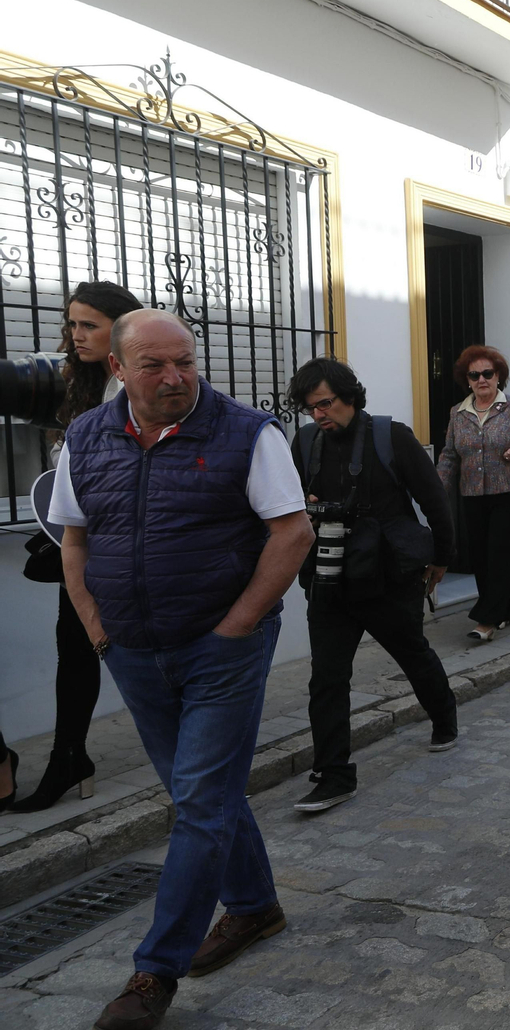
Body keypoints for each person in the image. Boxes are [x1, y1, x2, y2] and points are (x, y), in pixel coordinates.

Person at [53, 310, 313, 1029]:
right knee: (204, 791)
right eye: (154, 366)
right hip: (132, 650)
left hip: (219, 651)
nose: (174, 379)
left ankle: (152, 974)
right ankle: (255, 907)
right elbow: (76, 540)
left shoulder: (248, 433)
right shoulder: (86, 437)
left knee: (197, 802)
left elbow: (292, 533)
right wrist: (96, 626)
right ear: (118, 371)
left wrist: (237, 627)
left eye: (186, 362)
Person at [286, 358, 459, 815]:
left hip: (387, 574)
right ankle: (333, 774)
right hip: (328, 575)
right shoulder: (303, 442)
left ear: (349, 396)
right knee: (326, 677)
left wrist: (441, 557)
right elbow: (286, 501)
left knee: (412, 653)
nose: (319, 415)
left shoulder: (391, 436)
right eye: (310, 408)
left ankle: (444, 717)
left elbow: (434, 500)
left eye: (325, 403)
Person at [11, 282, 141, 813]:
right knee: (75, 646)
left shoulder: (137, 382)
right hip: (85, 539)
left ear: (122, 328)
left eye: (89, 324)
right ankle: (70, 757)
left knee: (146, 647)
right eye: (72, 324)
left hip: (135, 543)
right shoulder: (82, 383)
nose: (75, 335)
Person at [434, 345, 510, 642]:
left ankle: (486, 620)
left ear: (498, 376)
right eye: (474, 375)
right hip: (472, 495)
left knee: (500, 556)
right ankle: (507, 609)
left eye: (487, 373)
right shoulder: (458, 413)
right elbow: (450, 455)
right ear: (468, 380)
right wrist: (437, 489)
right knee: (481, 558)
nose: (481, 379)